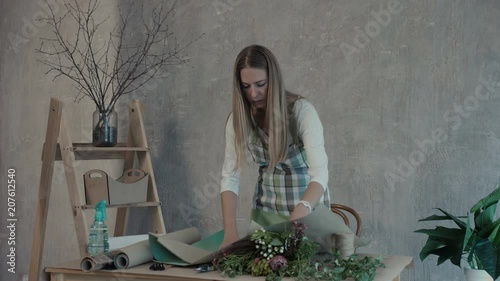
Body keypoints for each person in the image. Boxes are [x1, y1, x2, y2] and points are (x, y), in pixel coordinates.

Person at [219, 45, 331, 249]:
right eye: (246, 86)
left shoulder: (301, 112)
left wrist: (303, 208)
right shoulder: (238, 120)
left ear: (274, 79)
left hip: (308, 213)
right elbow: (230, 176)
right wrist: (230, 232)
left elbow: (320, 173)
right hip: (266, 215)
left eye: (260, 84)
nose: (253, 93)